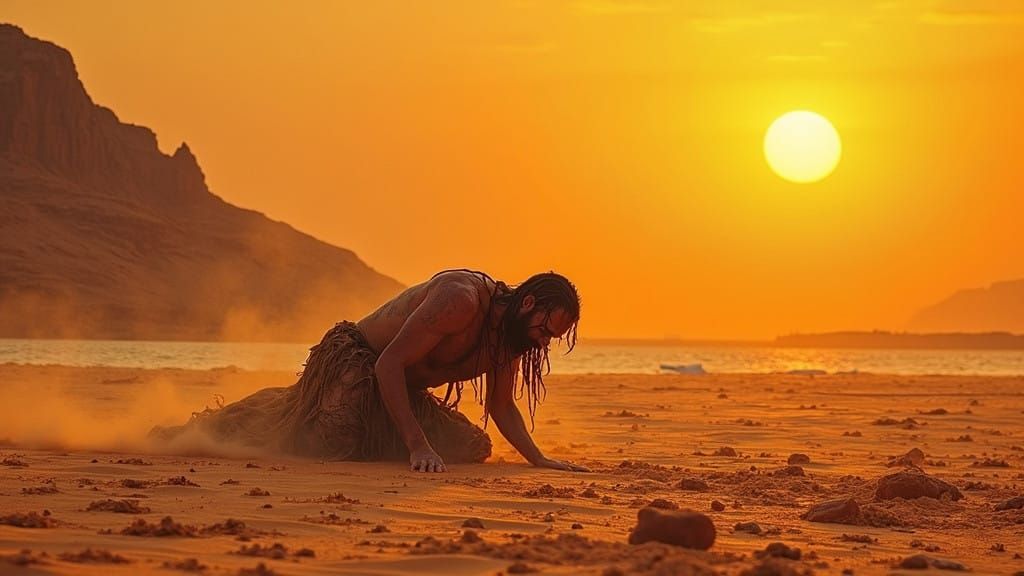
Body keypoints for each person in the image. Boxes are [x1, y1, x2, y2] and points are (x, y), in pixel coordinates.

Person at [153, 269, 588, 473]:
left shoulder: (509, 338)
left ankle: (301, 403)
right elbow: (388, 363)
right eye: (545, 330)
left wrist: (539, 459)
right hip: (356, 359)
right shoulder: (462, 300)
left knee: (471, 446)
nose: (542, 342)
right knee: (327, 439)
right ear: (528, 304)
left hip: (399, 389)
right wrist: (417, 445)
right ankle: (254, 414)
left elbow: (500, 405)